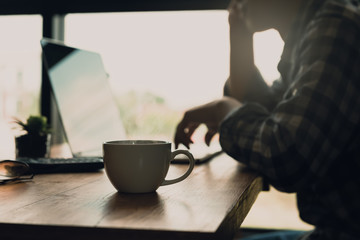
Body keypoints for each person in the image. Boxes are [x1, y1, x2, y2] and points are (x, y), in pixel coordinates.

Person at [174, 0, 360, 239]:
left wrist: (226, 111)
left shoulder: (338, 28)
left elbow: (287, 156)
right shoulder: (310, 34)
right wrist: (239, 32)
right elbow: (265, 110)